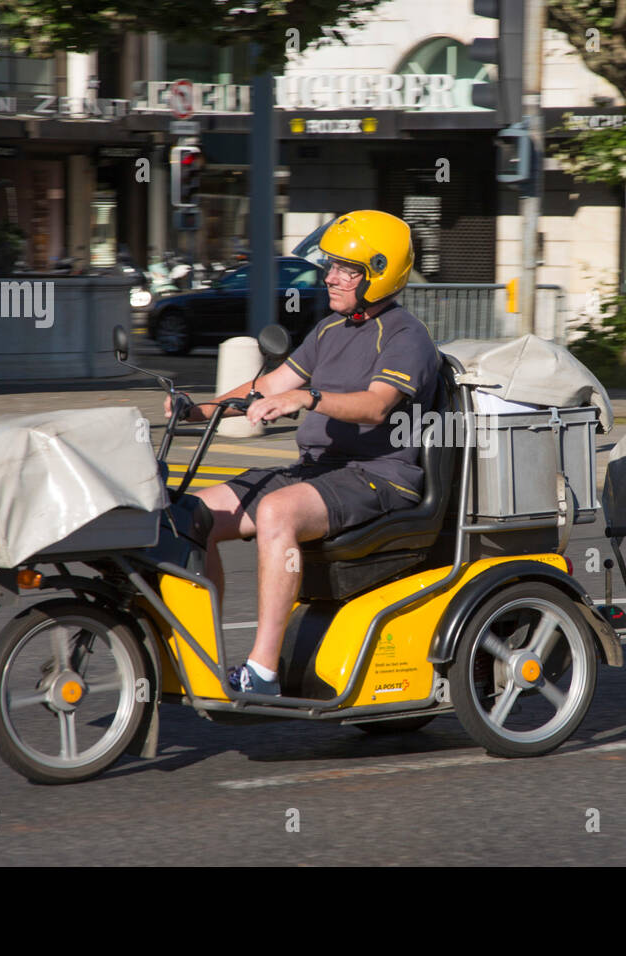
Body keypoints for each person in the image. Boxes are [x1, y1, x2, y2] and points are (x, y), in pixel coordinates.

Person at [163, 210, 439, 696]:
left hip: (379, 476)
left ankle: (264, 670)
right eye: (330, 265)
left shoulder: (405, 336)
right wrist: (199, 410)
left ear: (378, 274)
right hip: (320, 471)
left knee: (275, 511)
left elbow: (376, 406)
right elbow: (269, 385)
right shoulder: (331, 330)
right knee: (191, 513)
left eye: (345, 269)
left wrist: (307, 398)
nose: (329, 276)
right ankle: (201, 657)